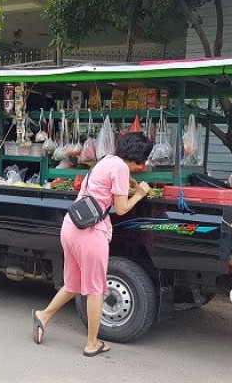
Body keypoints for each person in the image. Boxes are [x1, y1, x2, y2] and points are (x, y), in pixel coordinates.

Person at [32, 132, 153, 357]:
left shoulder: (105, 160)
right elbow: (122, 208)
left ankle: (43, 315)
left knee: (73, 284)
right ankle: (91, 344)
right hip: (90, 232)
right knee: (96, 290)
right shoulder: (120, 168)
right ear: (138, 156)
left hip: (71, 226)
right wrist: (139, 194)